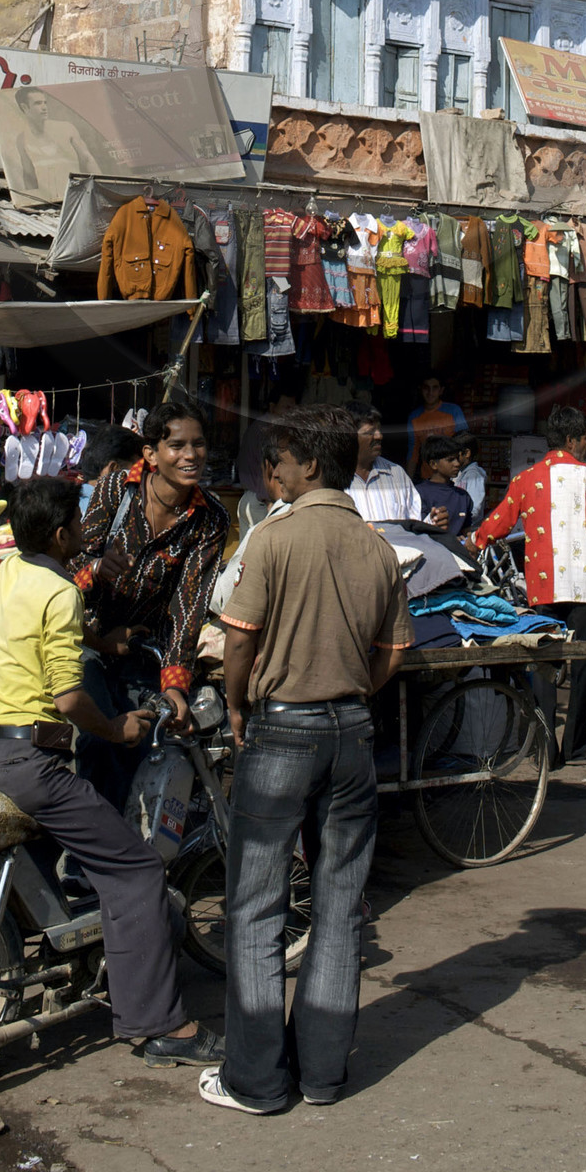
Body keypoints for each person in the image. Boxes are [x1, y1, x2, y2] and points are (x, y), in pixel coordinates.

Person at [0, 475, 221, 1070]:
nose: (85, 530)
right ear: (60, 532)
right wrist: (118, 728)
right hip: (29, 763)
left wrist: (107, 640)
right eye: (77, 522)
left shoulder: (11, 574)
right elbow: (71, 700)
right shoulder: (64, 591)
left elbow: (38, 636)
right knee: (137, 872)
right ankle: (161, 1026)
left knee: (44, 863)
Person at [204, 412, 412, 1114]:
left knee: (258, 905)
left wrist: (237, 705)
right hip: (352, 731)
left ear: (310, 466)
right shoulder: (378, 548)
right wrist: (349, 688)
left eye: (281, 463)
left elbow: (239, 641)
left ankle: (258, 1080)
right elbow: (396, 653)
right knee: (339, 906)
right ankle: (323, 1073)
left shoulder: (275, 537)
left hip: (281, 729)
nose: (274, 476)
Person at [467, 404, 586, 767]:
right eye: (585, 441)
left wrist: (474, 541)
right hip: (585, 587)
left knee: (544, 666)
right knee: (584, 666)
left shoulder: (526, 478)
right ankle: (578, 745)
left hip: (542, 585)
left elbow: (499, 521)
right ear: (571, 439)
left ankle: (545, 749)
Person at [78, 403, 227, 746]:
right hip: (85, 641)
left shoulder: (211, 519)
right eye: (177, 446)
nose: (191, 455)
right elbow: (71, 565)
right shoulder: (116, 489)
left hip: (142, 652)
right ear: (152, 454)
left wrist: (175, 684)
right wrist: (97, 570)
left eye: (199, 444)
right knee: (98, 741)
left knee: (140, 751)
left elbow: (189, 608)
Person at [345, 415, 420, 527]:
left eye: (379, 430)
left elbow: (415, 523)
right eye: (370, 432)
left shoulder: (396, 473)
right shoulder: (331, 479)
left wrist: (432, 521)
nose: (379, 436)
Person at [76, 422, 145, 518]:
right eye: (136, 472)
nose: (142, 480)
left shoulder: (75, 503)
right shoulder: (98, 512)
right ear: (113, 469)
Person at [415, 436, 474, 540]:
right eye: (450, 460)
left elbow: (467, 531)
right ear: (433, 464)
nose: (457, 464)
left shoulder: (463, 496)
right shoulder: (418, 493)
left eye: (457, 458)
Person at [407, 373, 468, 467]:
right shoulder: (414, 417)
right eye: (426, 387)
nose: (430, 392)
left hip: (453, 474)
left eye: (435, 388)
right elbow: (413, 451)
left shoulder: (453, 411)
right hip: (428, 476)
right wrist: (409, 479)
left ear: (441, 390)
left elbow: (465, 442)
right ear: (421, 390)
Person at [451, 431, 489, 525]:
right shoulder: (459, 473)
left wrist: (456, 518)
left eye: (455, 455)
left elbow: (475, 509)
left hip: (469, 528)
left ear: (467, 453)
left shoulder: (474, 475)